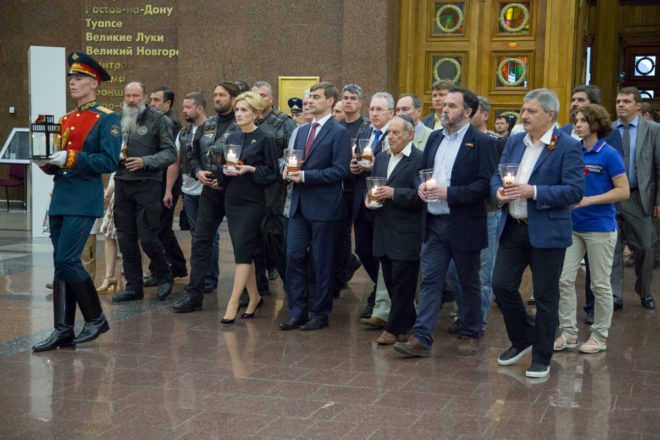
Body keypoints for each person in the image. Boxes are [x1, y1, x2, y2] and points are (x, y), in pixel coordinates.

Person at [392, 87, 497, 358]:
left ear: (468, 112)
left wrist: (448, 193)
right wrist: (419, 186)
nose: (444, 109)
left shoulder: (482, 142)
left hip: (464, 223)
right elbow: (419, 172)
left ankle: (471, 332)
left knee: (468, 281)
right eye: (444, 105)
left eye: (451, 105)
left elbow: (484, 186)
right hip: (434, 223)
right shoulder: (435, 137)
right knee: (430, 281)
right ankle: (421, 337)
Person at [491, 88, 584, 378]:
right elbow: (497, 174)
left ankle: (542, 356)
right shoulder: (515, 140)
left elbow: (574, 190)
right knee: (501, 285)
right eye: (523, 109)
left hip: (548, 231)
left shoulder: (567, 146)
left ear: (550, 115)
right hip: (513, 227)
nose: (524, 115)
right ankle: (523, 339)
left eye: (531, 111)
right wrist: (498, 191)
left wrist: (533, 191)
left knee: (545, 296)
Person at [32, 51, 121, 351]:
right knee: (60, 264)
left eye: (79, 77)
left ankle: (96, 318)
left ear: (94, 83)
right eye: (71, 76)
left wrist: (69, 157)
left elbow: (108, 161)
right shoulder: (66, 119)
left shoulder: (107, 118)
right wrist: (45, 161)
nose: (72, 82)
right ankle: (63, 329)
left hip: (84, 196)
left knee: (67, 259)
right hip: (61, 197)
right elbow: (56, 166)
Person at [555, 104, 629, 354]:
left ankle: (599, 336)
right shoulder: (572, 150)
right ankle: (568, 334)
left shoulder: (609, 154)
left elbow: (623, 191)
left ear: (596, 124)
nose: (577, 125)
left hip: (600, 228)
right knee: (564, 280)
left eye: (583, 120)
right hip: (573, 227)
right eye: (576, 120)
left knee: (599, 285)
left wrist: (589, 200)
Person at [280, 81, 351, 331]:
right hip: (298, 206)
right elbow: (294, 161)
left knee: (321, 262)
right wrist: (288, 171)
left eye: (316, 97)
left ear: (330, 101)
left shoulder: (339, 132)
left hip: (324, 207)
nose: (309, 101)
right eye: (309, 97)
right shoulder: (301, 131)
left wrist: (305, 176)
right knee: (293, 256)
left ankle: (320, 313)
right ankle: (297, 312)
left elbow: (341, 171)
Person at [173, 82, 241, 312]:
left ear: (234, 98)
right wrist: (197, 172)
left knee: (243, 243)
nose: (217, 98)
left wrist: (223, 179)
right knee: (200, 241)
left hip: (234, 192)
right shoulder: (208, 124)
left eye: (222, 95)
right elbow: (191, 154)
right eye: (215, 95)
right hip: (209, 191)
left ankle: (250, 292)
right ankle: (194, 295)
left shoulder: (242, 124)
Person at [111, 82, 177, 302]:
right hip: (122, 183)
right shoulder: (117, 119)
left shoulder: (159, 120)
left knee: (148, 237)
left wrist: (145, 161)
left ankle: (164, 276)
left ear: (145, 97)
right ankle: (133, 287)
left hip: (147, 184)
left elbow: (170, 153)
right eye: (128, 96)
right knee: (125, 238)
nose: (131, 100)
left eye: (136, 96)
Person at [220, 92, 278, 323]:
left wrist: (251, 169)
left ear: (255, 113)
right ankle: (254, 297)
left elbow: (272, 173)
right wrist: (222, 172)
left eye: (244, 110)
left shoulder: (265, 139)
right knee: (243, 251)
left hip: (253, 202)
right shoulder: (231, 138)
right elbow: (223, 167)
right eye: (237, 110)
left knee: (242, 252)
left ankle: (233, 302)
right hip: (232, 199)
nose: (239, 114)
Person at [366, 115, 424, 344]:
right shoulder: (381, 158)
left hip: (406, 231)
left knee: (403, 282)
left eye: (396, 133)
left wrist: (394, 194)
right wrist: (369, 199)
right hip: (383, 228)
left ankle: (392, 329)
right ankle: (407, 326)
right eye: (389, 132)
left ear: (410, 135)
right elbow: (373, 186)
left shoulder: (420, 159)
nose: (390, 137)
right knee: (391, 281)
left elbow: (422, 195)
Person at [611, 87, 660, 310]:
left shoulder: (653, 130)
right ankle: (615, 295)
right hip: (611, 197)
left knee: (645, 248)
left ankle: (644, 291)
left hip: (639, 196)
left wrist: (658, 199)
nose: (621, 105)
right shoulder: (608, 129)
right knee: (612, 249)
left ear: (638, 106)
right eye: (618, 101)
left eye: (626, 101)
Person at [351, 92, 394, 318]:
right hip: (362, 202)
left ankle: (379, 295)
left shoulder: (394, 134)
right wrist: (354, 167)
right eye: (372, 109)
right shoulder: (364, 134)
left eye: (379, 109)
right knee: (362, 249)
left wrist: (374, 167)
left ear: (391, 113)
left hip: (382, 202)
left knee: (381, 251)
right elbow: (358, 162)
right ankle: (379, 288)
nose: (374, 113)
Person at [178, 92, 220, 294]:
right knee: (196, 235)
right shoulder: (184, 132)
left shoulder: (212, 129)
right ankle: (199, 278)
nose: (184, 111)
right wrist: (171, 189)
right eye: (184, 107)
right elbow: (178, 161)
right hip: (188, 190)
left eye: (188, 107)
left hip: (208, 189)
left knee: (209, 236)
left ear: (200, 108)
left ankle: (210, 278)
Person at [146, 85, 187, 284]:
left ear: (167, 103)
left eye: (156, 100)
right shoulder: (158, 120)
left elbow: (171, 157)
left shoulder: (170, 123)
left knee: (160, 228)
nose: (151, 104)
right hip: (158, 182)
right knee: (162, 227)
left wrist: (168, 189)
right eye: (151, 100)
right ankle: (178, 265)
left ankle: (158, 271)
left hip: (166, 184)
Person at [97, 172, 119, 294]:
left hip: (134, 193)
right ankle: (109, 276)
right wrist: (109, 192)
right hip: (117, 196)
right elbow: (115, 173)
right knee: (109, 235)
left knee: (130, 236)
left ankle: (130, 274)